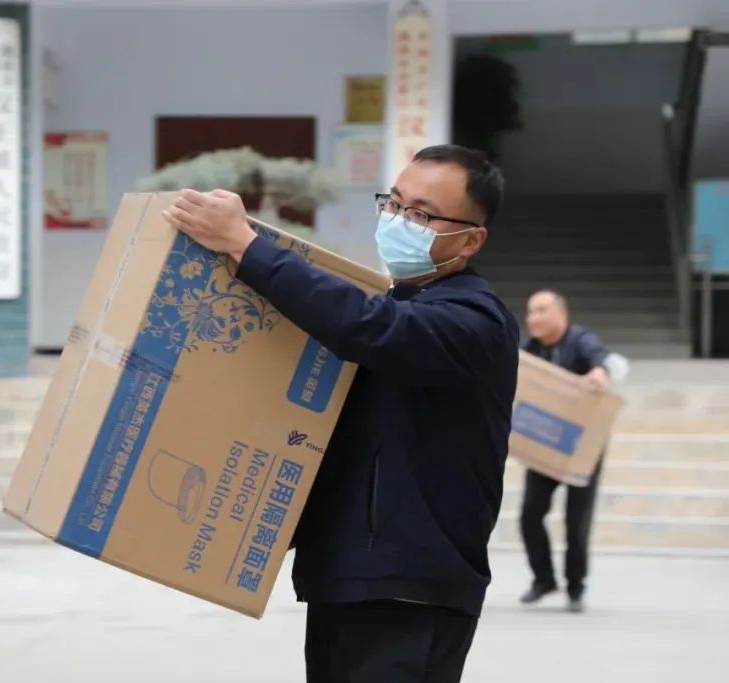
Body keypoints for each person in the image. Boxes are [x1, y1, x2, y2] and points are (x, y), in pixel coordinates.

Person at [163, 145, 519, 683]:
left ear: (471, 240)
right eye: (393, 204)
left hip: (409, 590)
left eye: (421, 215)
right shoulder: (400, 304)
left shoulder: (475, 322)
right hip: (345, 575)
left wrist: (245, 244)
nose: (398, 221)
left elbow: (367, 328)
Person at [519, 289, 611, 614]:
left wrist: (599, 372)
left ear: (561, 313)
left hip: (582, 446)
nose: (534, 318)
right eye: (530, 311)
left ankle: (575, 587)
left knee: (576, 521)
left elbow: (601, 360)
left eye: (541, 310)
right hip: (545, 443)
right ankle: (544, 579)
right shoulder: (530, 350)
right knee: (530, 514)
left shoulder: (580, 340)